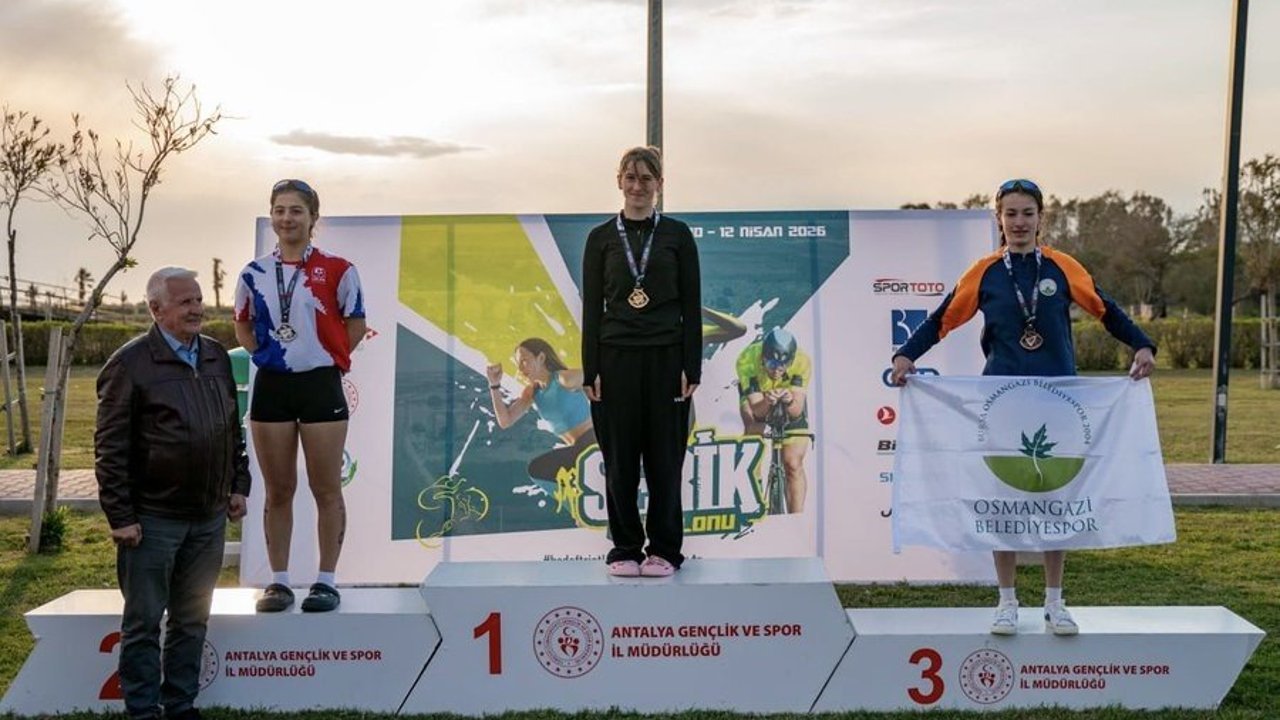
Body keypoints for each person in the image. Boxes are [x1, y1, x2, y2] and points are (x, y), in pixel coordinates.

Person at [890, 178, 1157, 637]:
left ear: (1041, 218)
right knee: (1003, 502)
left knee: (1056, 499)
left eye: (1027, 213)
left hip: (1059, 404)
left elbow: (1106, 309)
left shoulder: (1063, 267)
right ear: (999, 219)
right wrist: (906, 355)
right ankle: (1007, 602)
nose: (1019, 222)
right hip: (1002, 404)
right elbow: (943, 319)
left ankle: (1055, 602)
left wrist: (1142, 344)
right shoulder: (984, 273)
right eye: (1010, 214)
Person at [96, 267, 250, 720]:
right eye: (185, 302)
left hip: (208, 518)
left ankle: (181, 705)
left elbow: (231, 428)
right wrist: (120, 516)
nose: (197, 308)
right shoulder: (129, 365)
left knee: (192, 619)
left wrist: (237, 484)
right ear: (155, 309)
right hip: (152, 521)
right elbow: (110, 448)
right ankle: (143, 710)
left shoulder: (216, 355)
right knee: (143, 622)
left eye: (198, 299)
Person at [233, 179, 367, 613]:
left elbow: (355, 325)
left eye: (296, 211)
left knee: (326, 488)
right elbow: (242, 324)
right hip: (273, 385)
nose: (286, 218)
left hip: (320, 385)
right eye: (279, 210)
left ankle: (326, 581)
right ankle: (279, 581)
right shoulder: (253, 273)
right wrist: (267, 356)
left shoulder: (340, 269)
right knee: (278, 490)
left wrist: (325, 357)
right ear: (271, 216)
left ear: (313, 219)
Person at [582, 146, 702, 577]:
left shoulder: (677, 235)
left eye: (646, 179)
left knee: (665, 461)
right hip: (615, 361)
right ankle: (625, 549)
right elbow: (592, 309)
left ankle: (665, 550)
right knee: (620, 463)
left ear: (659, 185)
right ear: (619, 181)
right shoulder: (600, 238)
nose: (638, 186)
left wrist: (692, 366)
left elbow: (691, 305)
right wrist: (591, 369)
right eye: (630, 178)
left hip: (667, 362)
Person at [485, 338, 596, 492]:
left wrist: (593, 386)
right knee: (541, 472)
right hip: (576, 450)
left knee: (539, 469)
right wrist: (494, 385)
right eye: (518, 364)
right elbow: (505, 421)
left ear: (541, 358)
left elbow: (596, 375)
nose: (521, 368)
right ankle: (578, 500)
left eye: (524, 361)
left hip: (592, 443)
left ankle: (579, 499)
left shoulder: (563, 379)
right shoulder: (533, 392)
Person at [735, 327, 813, 513]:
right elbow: (757, 410)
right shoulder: (747, 360)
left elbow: (796, 411)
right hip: (758, 396)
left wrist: (789, 400)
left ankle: (797, 518)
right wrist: (767, 401)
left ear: (791, 361)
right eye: (771, 364)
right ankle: (753, 503)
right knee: (753, 427)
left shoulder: (802, 361)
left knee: (793, 463)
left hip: (788, 393)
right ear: (763, 357)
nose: (777, 370)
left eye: (783, 366)